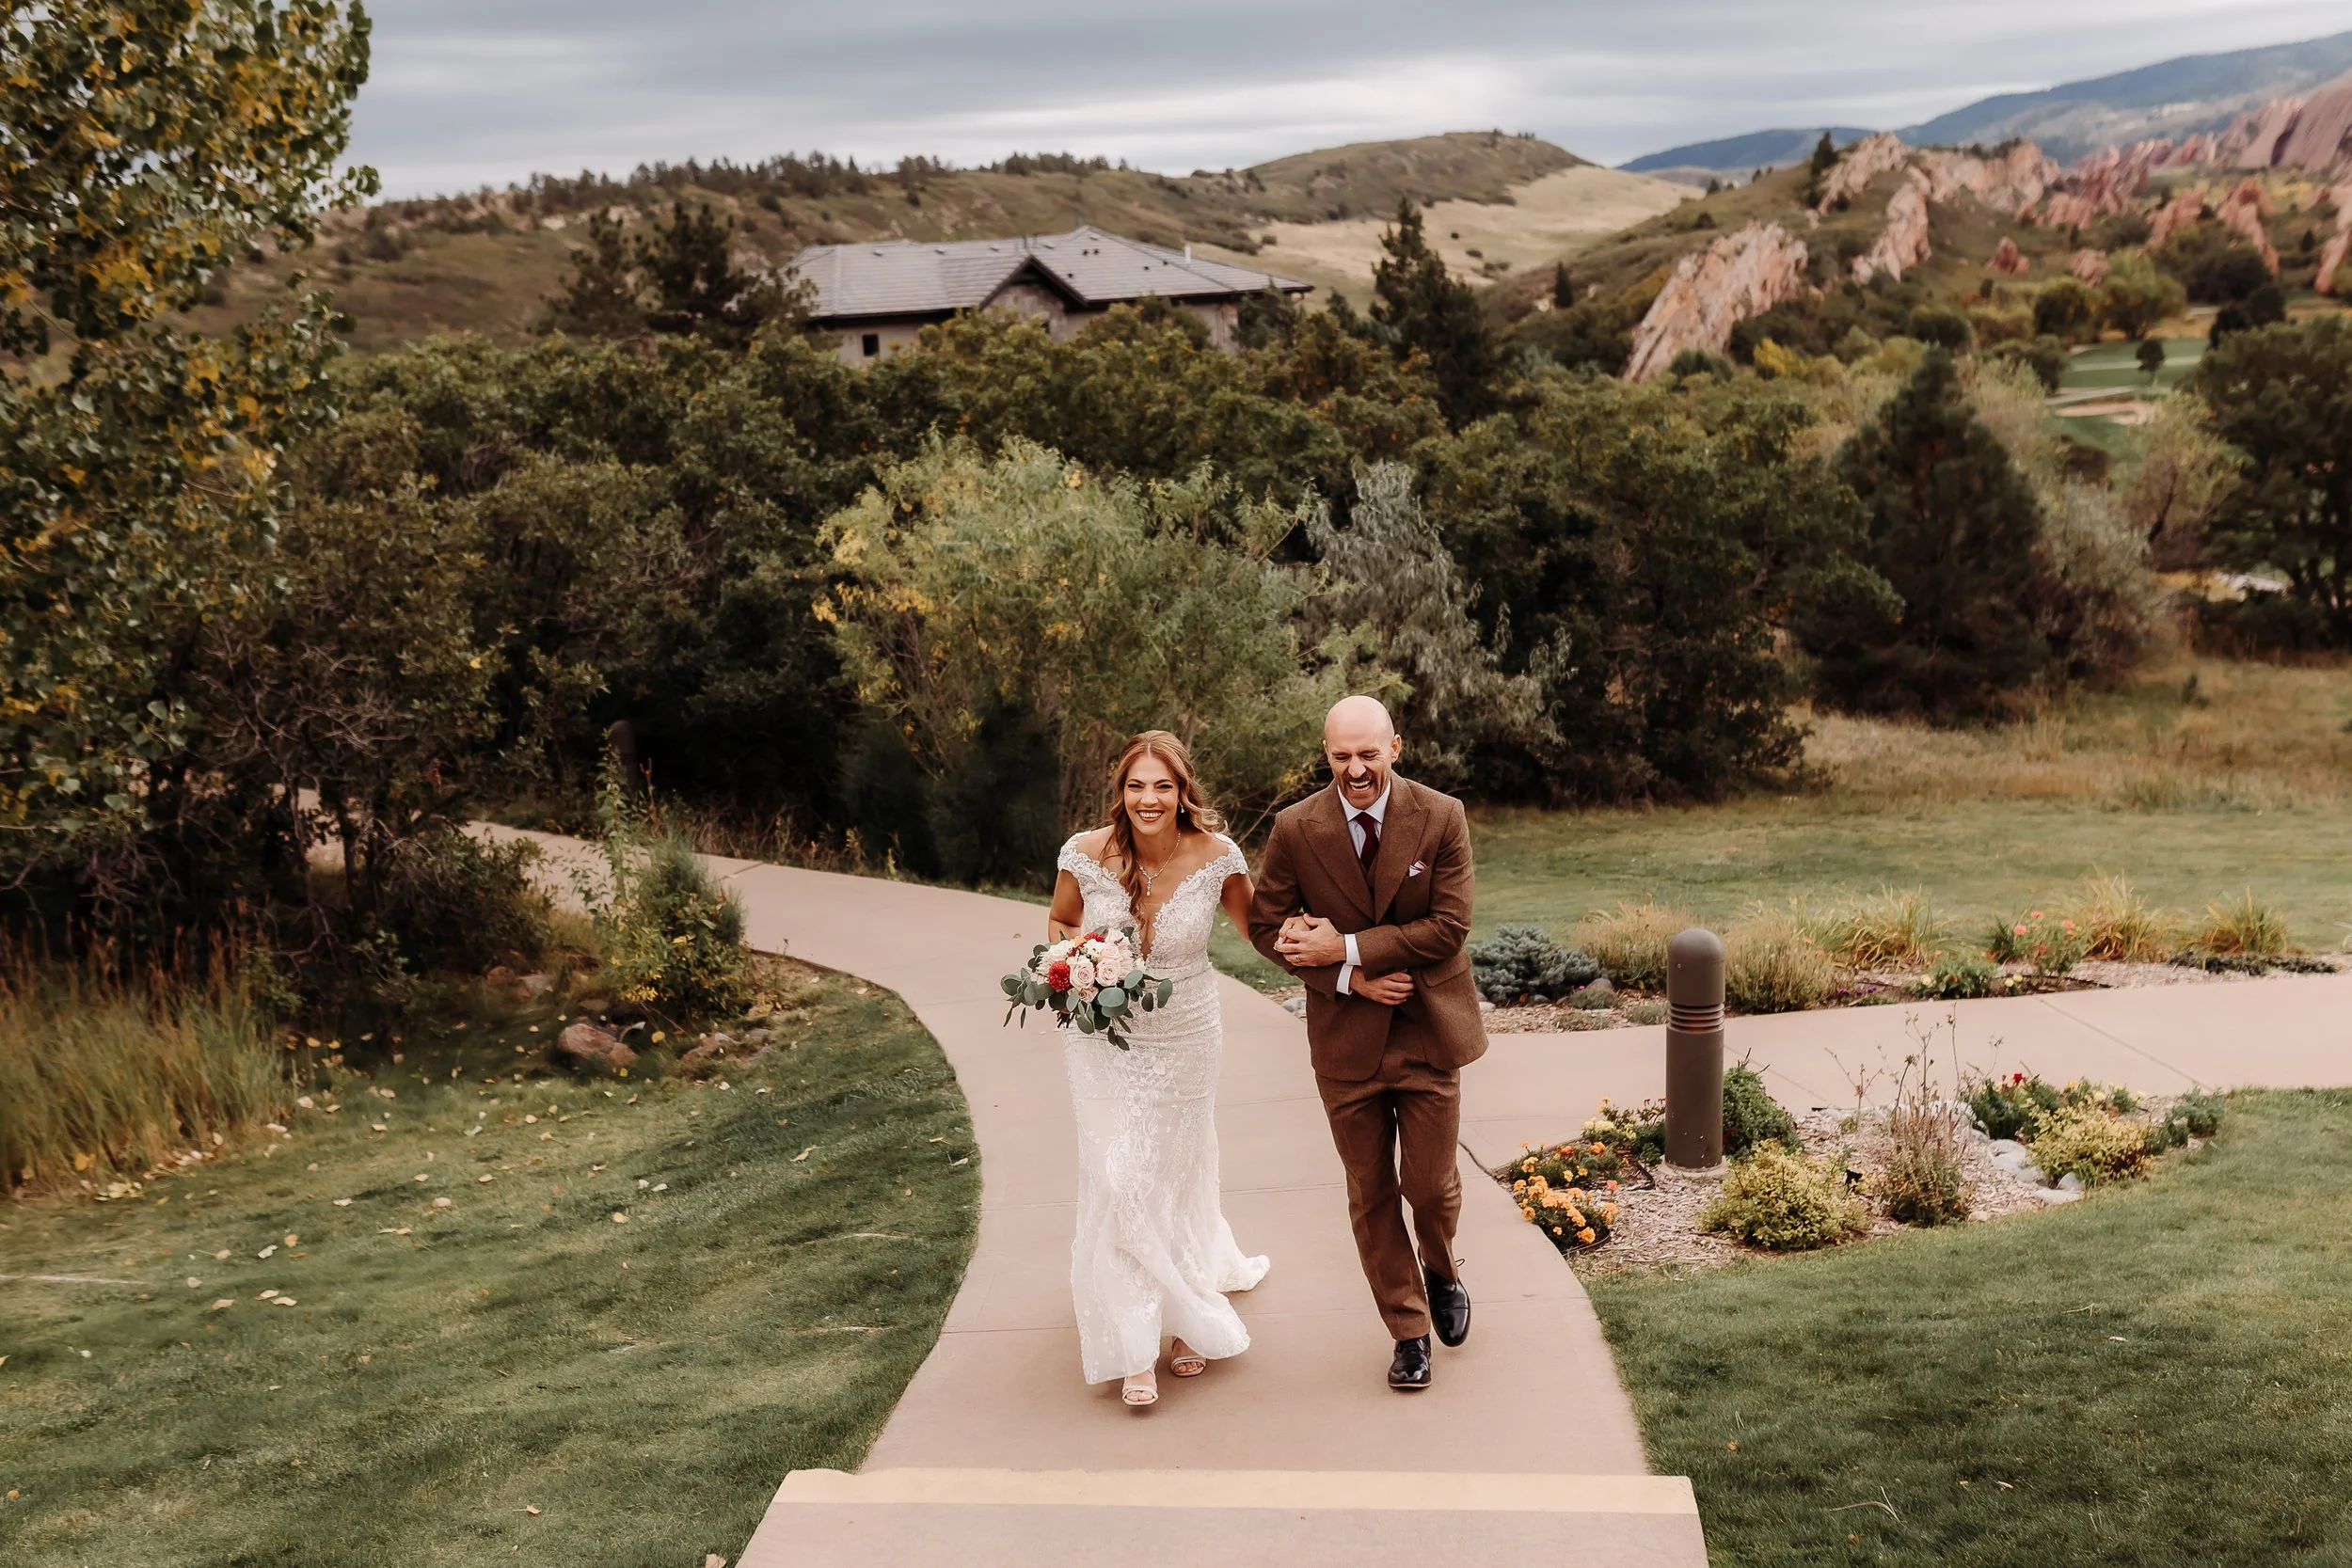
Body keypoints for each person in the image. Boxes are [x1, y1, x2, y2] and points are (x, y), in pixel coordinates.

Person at [1248, 694, 1487, 1391]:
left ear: (1395, 747)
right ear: (1326, 754)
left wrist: (1348, 943)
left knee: (1430, 1186)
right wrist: (1350, 976)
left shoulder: (1442, 816)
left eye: (1367, 753)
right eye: (1340, 755)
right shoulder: (1297, 828)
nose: (1354, 768)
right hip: (1346, 1043)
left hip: (1426, 1031)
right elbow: (1268, 928)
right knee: (1372, 1191)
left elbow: (1448, 927)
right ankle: (1409, 1331)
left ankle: (1440, 1265)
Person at [1047, 730, 1269, 1409]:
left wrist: (1334, 950)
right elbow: (1059, 922)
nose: (1149, 798)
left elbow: (1260, 932)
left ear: (1182, 793)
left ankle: (1183, 1319)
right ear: (1121, 792)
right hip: (1105, 1037)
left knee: (1171, 1171)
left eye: (1162, 785)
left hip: (1188, 1034)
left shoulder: (1218, 857)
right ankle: (1136, 1345)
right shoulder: (1084, 854)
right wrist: (1078, 964)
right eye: (1136, 785)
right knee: (1120, 1174)